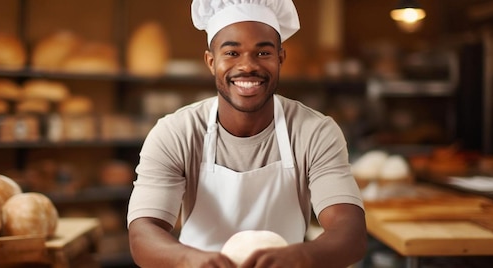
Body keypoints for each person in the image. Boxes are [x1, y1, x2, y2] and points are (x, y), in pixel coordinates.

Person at [127, 0, 367, 267]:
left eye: (263, 53)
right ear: (210, 61)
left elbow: (350, 231)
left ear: (281, 58)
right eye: (232, 53)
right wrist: (190, 260)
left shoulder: (315, 132)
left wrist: (303, 256)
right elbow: (143, 232)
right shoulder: (176, 133)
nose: (248, 66)